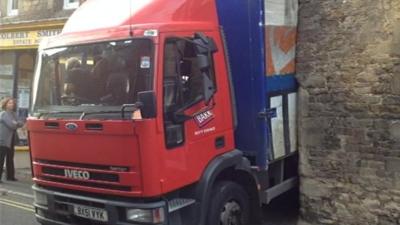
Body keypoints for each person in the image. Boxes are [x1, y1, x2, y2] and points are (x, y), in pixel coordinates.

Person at [0, 97, 23, 182]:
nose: (11, 104)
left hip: (11, 140)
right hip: (3, 140)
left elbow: (21, 123)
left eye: (12, 103)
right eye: (9, 103)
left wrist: (16, 123)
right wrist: (16, 123)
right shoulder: (3, 114)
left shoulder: (13, 114)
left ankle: (10, 176)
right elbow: (11, 125)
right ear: (5, 104)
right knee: (1, 160)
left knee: (10, 158)